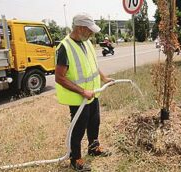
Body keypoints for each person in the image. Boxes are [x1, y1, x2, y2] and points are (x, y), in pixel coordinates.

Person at [55, 13, 113, 171]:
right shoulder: (64, 48)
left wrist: (103, 78)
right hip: (78, 98)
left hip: (92, 94)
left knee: (95, 123)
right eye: (89, 30)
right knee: (79, 128)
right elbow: (59, 78)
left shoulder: (86, 42)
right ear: (80, 28)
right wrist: (82, 91)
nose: (92, 33)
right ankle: (76, 159)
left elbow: (92, 65)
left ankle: (94, 148)